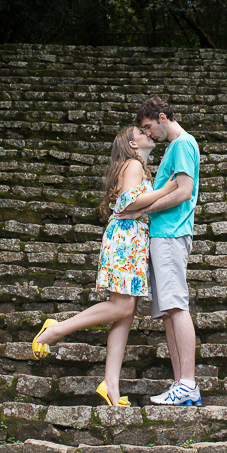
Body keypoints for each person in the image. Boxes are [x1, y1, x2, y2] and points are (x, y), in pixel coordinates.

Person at [32, 125, 177, 407]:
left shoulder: (135, 166)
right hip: (126, 239)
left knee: (125, 313)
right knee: (122, 307)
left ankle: (110, 383)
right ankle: (55, 330)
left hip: (131, 240)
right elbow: (130, 201)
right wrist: (168, 189)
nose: (150, 133)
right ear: (133, 144)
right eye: (143, 132)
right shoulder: (133, 164)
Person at [116, 96, 201, 407]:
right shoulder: (176, 148)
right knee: (169, 312)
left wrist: (142, 211)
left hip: (170, 235)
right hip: (164, 236)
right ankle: (181, 384)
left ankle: (188, 383)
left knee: (176, 307)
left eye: (149, 127)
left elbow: (183, 191)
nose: (148, 134)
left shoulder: (181, 144)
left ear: (163, 118)